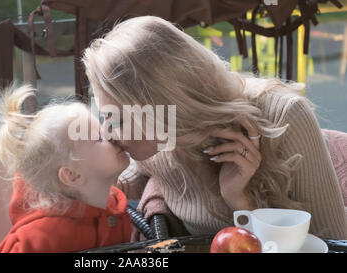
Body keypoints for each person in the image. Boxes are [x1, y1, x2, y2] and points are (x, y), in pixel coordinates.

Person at [82, 16, 347, 239]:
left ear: (162, 106)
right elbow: (135, 173)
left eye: (116, 119)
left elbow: (333, 239)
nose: (107, 131)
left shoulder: (285, 117)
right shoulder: (157, 144)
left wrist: (241, 203)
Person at [0, 84, 132, 252]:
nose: (111, 134)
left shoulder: (118, 209)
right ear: (72, 175)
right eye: (99, 138)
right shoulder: (40, 239)